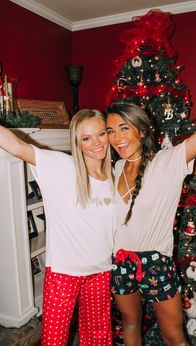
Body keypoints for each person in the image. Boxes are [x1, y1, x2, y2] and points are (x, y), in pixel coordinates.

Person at [105, 102, 196, 346]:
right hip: (121, 261)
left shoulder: (168, 161)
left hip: (155, 263)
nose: (116, 138)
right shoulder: (116, 168)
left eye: (124, 128)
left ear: (142, 131)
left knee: (173, 336)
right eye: (111, 131)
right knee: (130, 324)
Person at [0, 109, 115, 346]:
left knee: (97, 339)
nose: (96, 143)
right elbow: (17, 146)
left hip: (101, 271)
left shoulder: (114, 174)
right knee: (54, 340)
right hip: (64, 273)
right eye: (86, 138)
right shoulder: (62, 166)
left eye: (101, 134)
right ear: (77, 141)